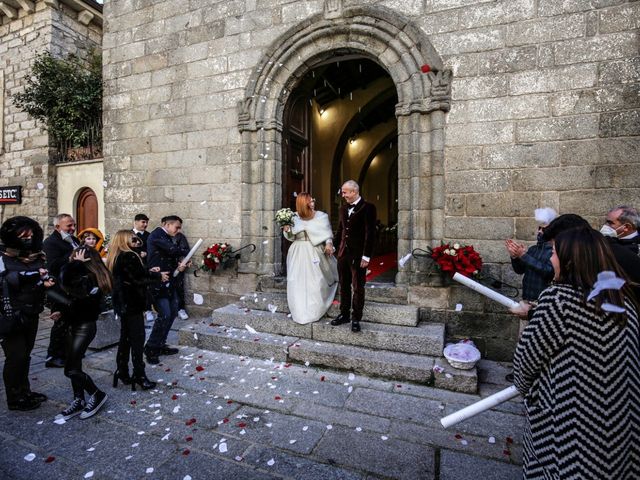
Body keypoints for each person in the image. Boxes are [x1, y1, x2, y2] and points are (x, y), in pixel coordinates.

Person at [513, 227, 639, 479]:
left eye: (555, 253)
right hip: (618, 423)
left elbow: (525, 363)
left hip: (570, 424)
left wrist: (531, 393)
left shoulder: (559, 299)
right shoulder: (623, 301)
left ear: (571, 259)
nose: (550, 259)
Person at [0, 216, 54, 411]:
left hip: (31, 311)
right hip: (10, 314)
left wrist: (44, 282)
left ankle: (25, 391)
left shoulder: (36, 256)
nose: (28, 239)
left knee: (26, 355)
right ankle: (14, 397)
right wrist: (31, 276)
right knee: (16, 356)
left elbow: (41, 279)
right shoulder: (3, 258)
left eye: (31, 235)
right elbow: (8, 279)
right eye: (23, 236)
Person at [56, 247, 112, 420]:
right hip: (72, 324)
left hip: (84, 326)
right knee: (75, 363)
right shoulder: (83, 275)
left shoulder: (89, 277)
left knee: (70, 369)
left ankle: (97, 394)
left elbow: (67, 281)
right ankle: (78, 399)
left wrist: (76, 265)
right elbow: (70, 297)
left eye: (74, 257)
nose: (71, 259)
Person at [107, 230, 166, 391]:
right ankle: (139, 375)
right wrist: (158, 277)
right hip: (132, 302)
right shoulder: (129, 256)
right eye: (133, 239)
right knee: (137, 340)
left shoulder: (116, 256)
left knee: (125, 338)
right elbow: (137, 280)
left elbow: (131, 276)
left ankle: (122, 370)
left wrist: (150, 272)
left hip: (123, 303)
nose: (137, 242)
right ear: (124, 241)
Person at [282, 193, 338, 324]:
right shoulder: (293, 217)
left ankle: (314, 310)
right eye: (310, 201)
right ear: (303, 203)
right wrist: (287, 229)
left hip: (315, 251)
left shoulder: (321, 216)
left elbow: (327, 234)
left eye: (313, 200)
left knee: (315, 280)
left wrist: (329, 244)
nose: (313, 203)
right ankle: (299, 311)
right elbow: (290, 236)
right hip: (297, 251)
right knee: (296, 280)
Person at [331, 180, 377, 333]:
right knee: (343, 285)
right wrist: (334, 245)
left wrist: (366, 256)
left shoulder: (368, 208)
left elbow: (370, 233)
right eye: (342, 192)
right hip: (343, 253)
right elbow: (341, 230)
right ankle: (344, 314)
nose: (343, 195)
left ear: (354, 192)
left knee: (358, 287)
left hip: (358, 255)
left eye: (345, 192)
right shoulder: (343, 208)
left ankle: (356, 317)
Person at [143, 215, 190, 364]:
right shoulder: (157, 235)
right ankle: (151, 347)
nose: (178, 230)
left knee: (173, 312)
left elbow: (169, 256)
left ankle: (160, 344)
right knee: (164, 314)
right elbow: (172, 250)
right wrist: (182, 254)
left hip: (170, 282)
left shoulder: (167, 236)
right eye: (177, 227)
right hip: (158, 283)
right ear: (166, 224)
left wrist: (180, 264)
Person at [43, 213, 80, 368]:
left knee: (71, 321)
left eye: (73, 225)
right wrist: (71, 257)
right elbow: (52, 265)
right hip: (59, 288)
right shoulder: (50, 242)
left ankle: (68, 351)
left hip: (73, 286)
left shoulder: (74, 240)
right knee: (61, 322)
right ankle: (53, 355)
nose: (72, 228)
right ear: (58, 227)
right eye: (69, 226)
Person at [173, 230, 190, 321]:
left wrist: (182, 262)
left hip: (178, 267)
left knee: (179, 287)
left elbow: (185, 251)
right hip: (165, 268)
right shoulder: (161, 237)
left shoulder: (180, 237)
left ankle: (180, 309)